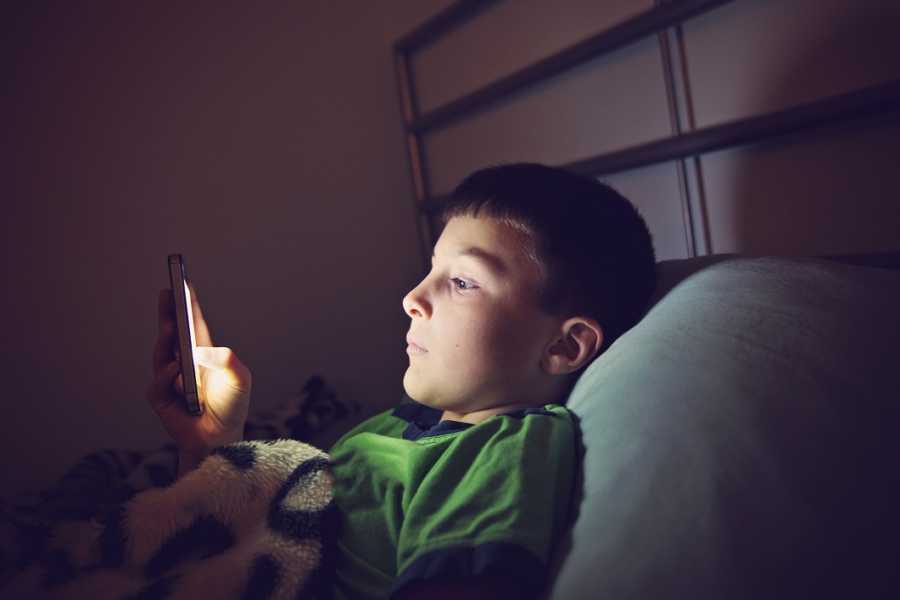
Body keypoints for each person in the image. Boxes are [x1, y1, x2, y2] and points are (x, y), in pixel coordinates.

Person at [147, 163, 656, 599]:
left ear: (563, 347)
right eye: (432, 270)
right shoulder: (403, 427)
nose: (413, 297)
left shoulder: (496, 451)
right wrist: (209, 444)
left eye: (462, 282)